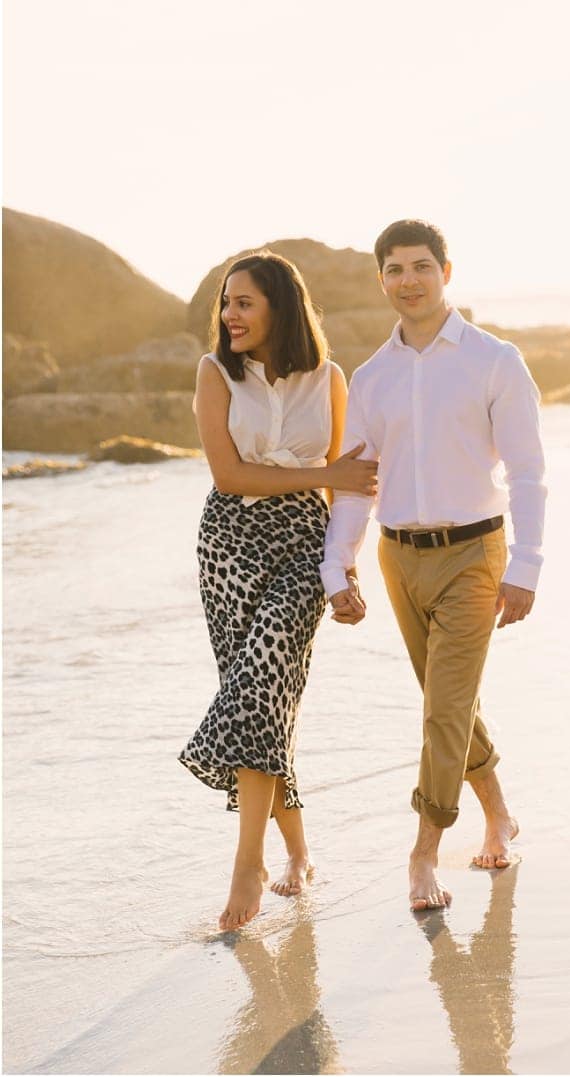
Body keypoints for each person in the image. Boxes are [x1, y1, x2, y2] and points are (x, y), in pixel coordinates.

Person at [322, 218, 545, 911]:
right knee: (450, 705)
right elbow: (359, 482)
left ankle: (422, 853)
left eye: (421, 266)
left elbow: (529, 471)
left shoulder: (493, 360)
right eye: (394, 269)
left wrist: (527, 565)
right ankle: (499, 813)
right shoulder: (371, 376)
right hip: (399, 560)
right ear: (381, 278)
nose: (408, 280)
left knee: (442, 712)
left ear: (447, 271)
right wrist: (341, 566)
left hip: (477, 553)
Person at [181, 251, 379, 932]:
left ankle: (248, 863)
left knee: (261, 685)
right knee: (263, 699)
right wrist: (327, 471)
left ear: (279, 308)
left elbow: (344, 487)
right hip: (229, 546)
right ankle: (298, 852)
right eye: (226, 303)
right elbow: (230, 476)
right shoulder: (215, 373)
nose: (230, 315)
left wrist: (341, 568)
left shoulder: (329, 378)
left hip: (302, 544)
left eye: (244, 303)